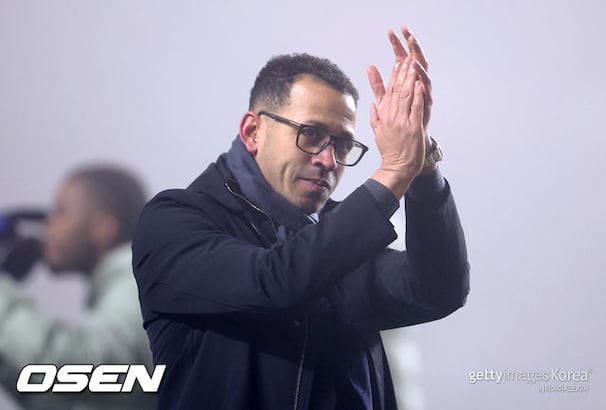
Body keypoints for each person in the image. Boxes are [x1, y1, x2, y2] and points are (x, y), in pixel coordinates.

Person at [132, 26, 470, 410]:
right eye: (310, 134)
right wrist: (394, 170)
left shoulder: (338, 233)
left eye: (343, 144)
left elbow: (437, 290)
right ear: (252, 131)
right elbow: (275, 283)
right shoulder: (172, 221)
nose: (328, 160)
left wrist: (422, 163)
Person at [0, 166, 156, 410]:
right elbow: (76, 399)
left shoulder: (137, 281)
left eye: (60, 211)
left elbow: (82, 369)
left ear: (103, 227)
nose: (47, 224)